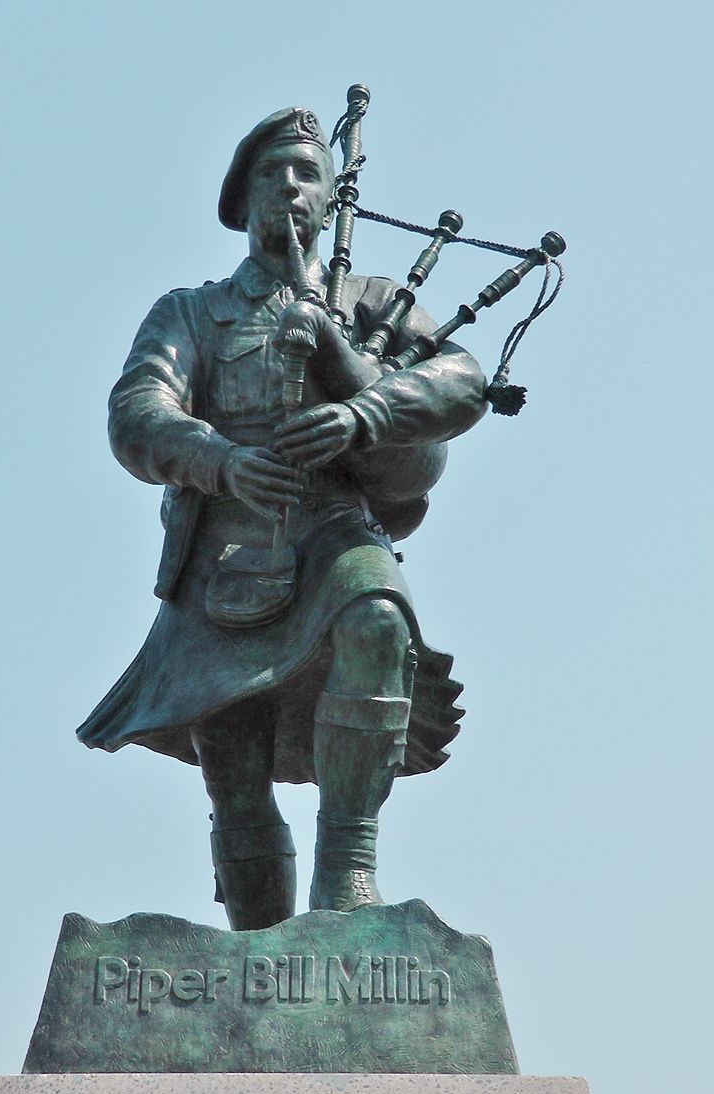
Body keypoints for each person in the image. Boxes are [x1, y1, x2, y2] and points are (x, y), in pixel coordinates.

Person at [77, 106, 487, 930]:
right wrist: (218, 458)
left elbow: (462, 384)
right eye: (274, 172)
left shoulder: (368, 303)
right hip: (221, 552)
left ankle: (349, 876)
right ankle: (258, 952)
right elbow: (136, 410)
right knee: (232, 765)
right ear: (243, 197)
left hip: (336, 529)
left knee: (377, 620)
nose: (291, 187)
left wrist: (361, 404)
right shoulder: (191, 313)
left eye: (308, 174)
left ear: (331, 202)